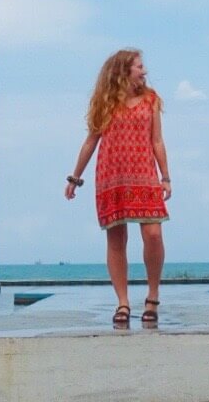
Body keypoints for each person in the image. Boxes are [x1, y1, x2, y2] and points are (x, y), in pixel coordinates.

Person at [65, 49, 171, 327]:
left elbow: (157, 140)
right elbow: (91, 141)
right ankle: (123, 302)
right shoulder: (105, 103)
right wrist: (75, 178)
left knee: (154, 235)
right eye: (139, 66)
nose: (144, 71)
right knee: (116, 240)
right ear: (123, 71)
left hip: (145, 175)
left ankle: (152, 296)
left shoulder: (151, 100)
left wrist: (166, 176)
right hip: (112, 177)